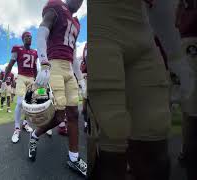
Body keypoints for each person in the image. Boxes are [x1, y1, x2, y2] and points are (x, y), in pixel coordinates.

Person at [87, 0, 178, 179]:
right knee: (113, 146)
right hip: (102, 35)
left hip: (144, 39)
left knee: (155, 137)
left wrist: (177, 57)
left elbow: (161, 6)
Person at [32, 0, 87, 176]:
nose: (78, 2)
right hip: (54, 65)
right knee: (58, 116)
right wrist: (44, 62)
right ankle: (34, 136)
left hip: (70, 69)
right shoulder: (55, 5)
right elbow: (41, 32)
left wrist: (80, 80)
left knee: (73, 114)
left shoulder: (77, 22)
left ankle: (74, 158)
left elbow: (74, 55)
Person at [174, 1, 197, 179]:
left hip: (189, 43)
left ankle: (187, 154)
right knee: (192, 109)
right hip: (191, 43)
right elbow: (178, 23)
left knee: (191, 109)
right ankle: (189, 156)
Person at [3, 31, 37, 143]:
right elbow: (10, 64)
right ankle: (17, 128)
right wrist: (3, 80)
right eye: (27, 36)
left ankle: (25, 123)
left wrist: (36, 80)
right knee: (19, 102)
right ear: (23, 38)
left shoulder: (34, 52)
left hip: (31, 78)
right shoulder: (17, 48)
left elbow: (35, 68)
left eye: (31, 36)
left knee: (30, 104)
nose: (29, 38)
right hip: (22, 77)